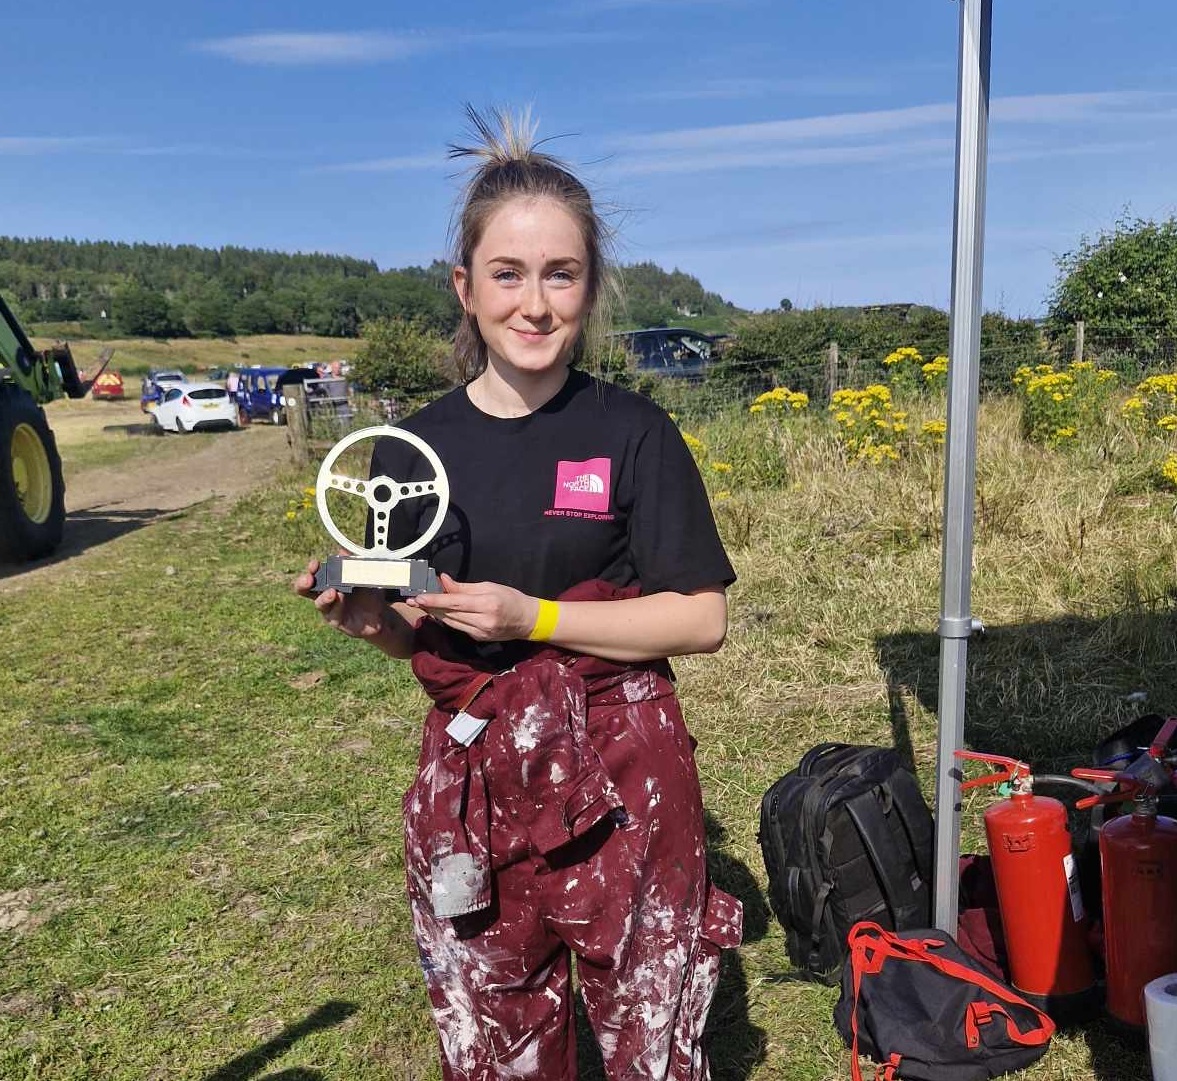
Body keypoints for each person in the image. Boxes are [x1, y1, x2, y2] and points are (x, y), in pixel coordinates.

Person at [295, 107, 742, 1080]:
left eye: (559, 274)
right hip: (471, 773)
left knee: (652, 1044)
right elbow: (418, 640)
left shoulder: (634, 432)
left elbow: (699, 617)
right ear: (464, 287)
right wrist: (370, 620)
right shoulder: (410, 452)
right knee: (494, 1047)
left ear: (589, 287)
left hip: (623, 760)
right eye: (507, 274)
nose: (533, 304)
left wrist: (531, 617)